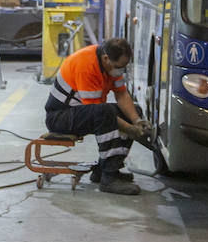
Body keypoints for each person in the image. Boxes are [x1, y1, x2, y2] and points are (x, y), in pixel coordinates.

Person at [44, 38, 150, 195]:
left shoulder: (110, 65)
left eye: (123, 68)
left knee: (134, 110)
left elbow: (121, 93)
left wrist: (137, 120)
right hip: (60, 117)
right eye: (118, 67)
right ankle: (109, 179)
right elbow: (99, 111)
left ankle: (103, 170)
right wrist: (130, 129)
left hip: (79, 112)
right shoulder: (86, 66)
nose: (120, 71)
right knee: (106, 112)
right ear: (106, 58)